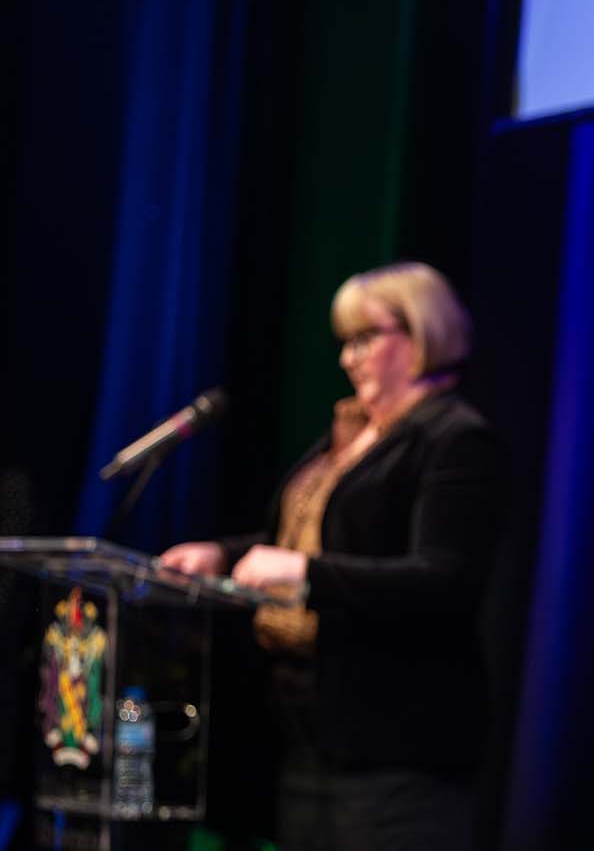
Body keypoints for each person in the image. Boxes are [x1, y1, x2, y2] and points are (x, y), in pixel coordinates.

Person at [160, 262, 506, 851]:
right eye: (345, 343)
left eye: (365, 338)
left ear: (423, 332)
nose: (348, 359)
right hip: (308, 736)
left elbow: (444, 577)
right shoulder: (352, 436)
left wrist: (305, 574)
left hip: (396, 746)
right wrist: (222, 553)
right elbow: (307, 539)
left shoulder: (455, 439)